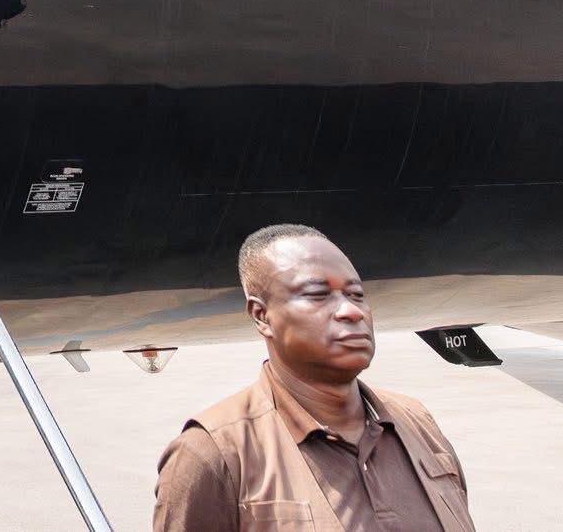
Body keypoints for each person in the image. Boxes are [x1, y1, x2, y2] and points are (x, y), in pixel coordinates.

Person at [154, 224, 475, 531]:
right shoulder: (213, 454)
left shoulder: (416, 422)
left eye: (356, 294)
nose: (351, 312)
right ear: (262, 316)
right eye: (318, 295)